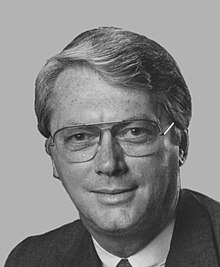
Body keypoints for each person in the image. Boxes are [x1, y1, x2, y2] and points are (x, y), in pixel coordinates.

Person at [5, 27, 220, 267]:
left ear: (181, 145)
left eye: (134, 132)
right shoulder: (29, 260)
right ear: (54, 159)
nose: (109, 164)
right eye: (79, 137)